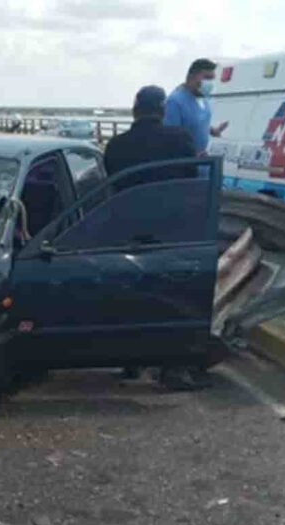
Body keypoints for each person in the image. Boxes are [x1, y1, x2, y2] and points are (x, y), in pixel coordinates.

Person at [105, 86, 205, 391]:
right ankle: (173, 367)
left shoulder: (116, 146)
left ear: (135, 109)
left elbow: (110, 186)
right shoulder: (180, 139)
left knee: (130, 298)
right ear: (162, 110)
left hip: (127, 232)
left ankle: (131, 363)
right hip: (171, 232)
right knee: (174, 300)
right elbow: (191, 181)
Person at [104, 85, 197, 182]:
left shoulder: (115, 146)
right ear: (163, 111)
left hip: (132, 197)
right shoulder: (182, 139)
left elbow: (112, 183)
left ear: (134, 111)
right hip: (174, 196)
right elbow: (192, 177)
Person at [164, 58, 228, 154]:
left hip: (202, 164)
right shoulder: (175, 102)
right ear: (191, 76)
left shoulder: (202, 99)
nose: (209, 83)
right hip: (184, 164)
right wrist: (191, 155)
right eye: (206, 78)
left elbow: (193, 122)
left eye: (212, 79)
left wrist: (212, 130)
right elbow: (169, 139)